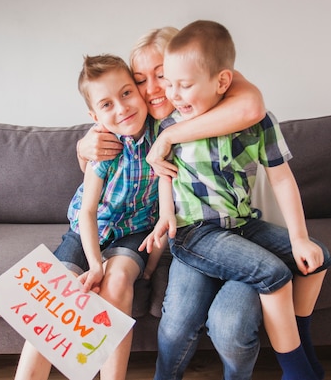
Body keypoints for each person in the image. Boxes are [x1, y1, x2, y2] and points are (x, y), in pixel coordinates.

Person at [141, 20, 331, 380]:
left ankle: (304, 348)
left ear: (222, 82)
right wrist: (166, 216)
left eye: (184, 86)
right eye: (171, 84)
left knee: (318, 257)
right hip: (195, 233)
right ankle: (297, 372)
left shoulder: (257, 121)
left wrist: (300, 238)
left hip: (241, 225)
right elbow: (164, 178)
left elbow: (282, 178)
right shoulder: (169, 129)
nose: (174, 96)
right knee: (273, 273)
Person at [78, 27, 268, 379]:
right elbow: (107, 162)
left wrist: (169, 136)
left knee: (231, 329)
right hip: (186, 241)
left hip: (239, 232)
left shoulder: (211, 101)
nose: (151, 89)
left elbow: (253, 105)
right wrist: (82, 148)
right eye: (140, 80)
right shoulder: (141, 120)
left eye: (162, 76)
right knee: (176, 324)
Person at [13, 54, 165, 380]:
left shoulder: (161, 131)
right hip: (89, 227)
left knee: (119, 280)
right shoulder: (103, 144)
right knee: (55, 292)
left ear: (139, 91)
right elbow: (88, 212)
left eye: (126, 93)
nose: (122, 108)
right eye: (107, 104)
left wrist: (130, 267)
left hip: (135, 230)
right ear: (95, 115)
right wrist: (95, 263)